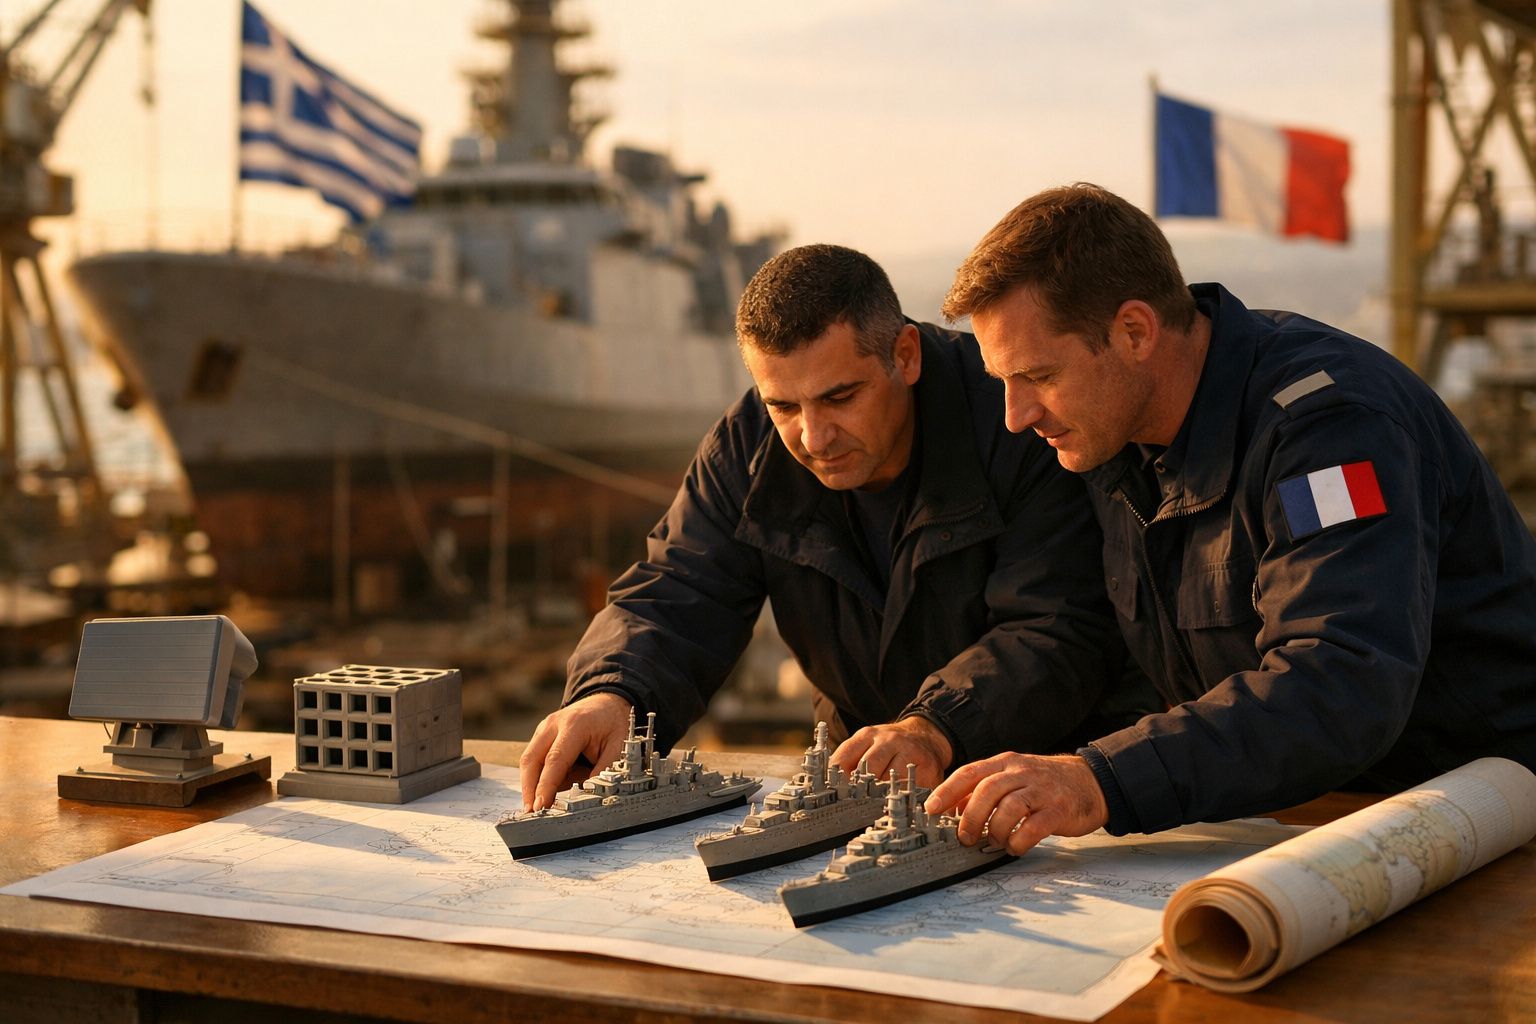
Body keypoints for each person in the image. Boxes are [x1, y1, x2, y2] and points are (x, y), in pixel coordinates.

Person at [927, 182, 1536, 855]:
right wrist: (939, 725)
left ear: (1134, 332)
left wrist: (1099, 780)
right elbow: (1079, 630)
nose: (1017, 416)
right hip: (1304, 816)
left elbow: (1341, 678)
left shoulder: (1327, 435)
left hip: (1483, 815)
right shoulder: (1111, 439)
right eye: (1003, 383)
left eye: (1038, 376)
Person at [519, 243, 1139, 811]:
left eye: (840, 397)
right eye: (783, 406)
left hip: (1042, 794)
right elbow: (680, 589)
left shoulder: (1015, 423)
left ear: (905, 355)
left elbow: (1062, 623)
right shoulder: (747, 448)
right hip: (864, 784)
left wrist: (936, 726)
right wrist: (613, 693)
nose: (813, 439)